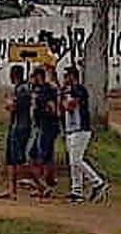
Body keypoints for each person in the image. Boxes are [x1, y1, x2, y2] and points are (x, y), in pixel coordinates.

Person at [61, 66, 109, 204]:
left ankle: (97, 182)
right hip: (70, 128)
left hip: (81, 129)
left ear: (72, 76)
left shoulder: (79, 90)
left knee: (77, 160)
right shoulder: (67, 91)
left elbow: (70, 106)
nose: (64, 79)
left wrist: (65, 101)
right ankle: (77, 190)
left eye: (66, 76)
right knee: (72, 162)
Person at [0, 65, 33, 200]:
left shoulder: (22, 90)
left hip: (20, 127)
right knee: (11, 159)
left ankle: (39, 184)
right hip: (16, 126)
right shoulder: (21, 88)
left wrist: (8, 102)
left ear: (14, 75)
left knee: (19, 159)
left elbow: (14, 107)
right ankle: (12, 190)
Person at [29, 66, 60, 197]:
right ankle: (47, 183)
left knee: (38, 155)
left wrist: (48, 111)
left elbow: (53, 108)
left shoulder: (47, 90)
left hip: (47, 125)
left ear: (38, 76)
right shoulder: (39, 89)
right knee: (45, 156)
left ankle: (45, 184)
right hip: (43, 125)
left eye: (33, 77)